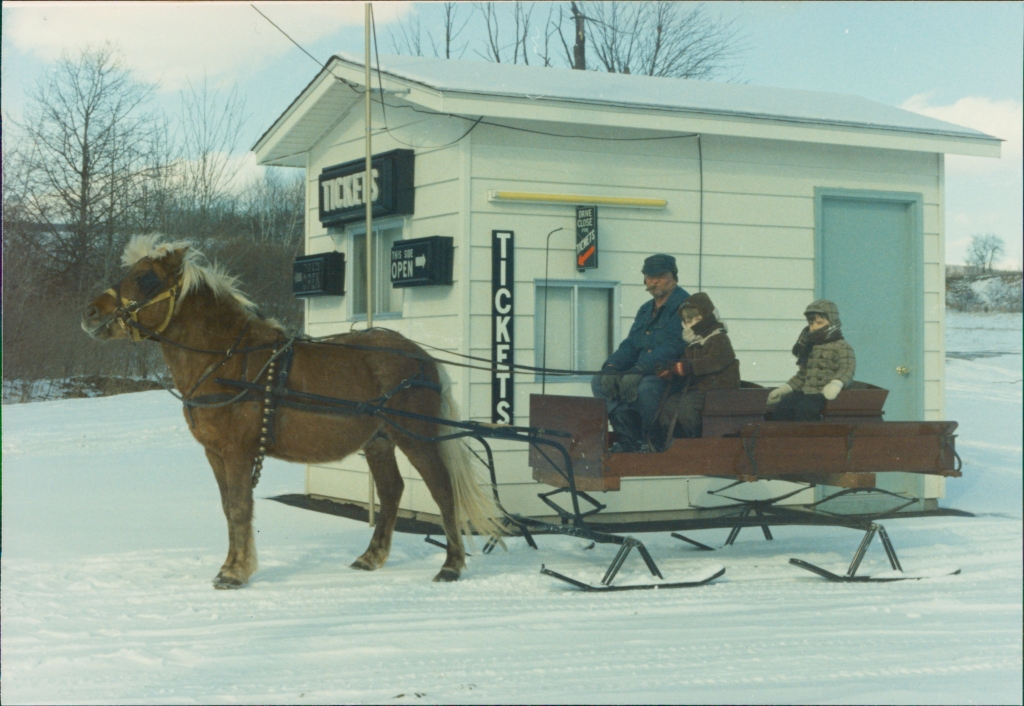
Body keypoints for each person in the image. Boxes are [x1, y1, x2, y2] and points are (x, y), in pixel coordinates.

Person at [591, 254, 690, 452]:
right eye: (649, 276)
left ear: (674, 277)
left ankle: (652, 441)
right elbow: (631, 344)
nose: (654, 282)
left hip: (672, 373)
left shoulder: (686, 306)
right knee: (600, 381)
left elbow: (673, 347)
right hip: (642, 370)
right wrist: (611, 366)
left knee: (645, 387)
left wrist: (639, 370)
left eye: (661, 276)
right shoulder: (645, 310)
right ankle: (629, 439)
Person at [654, 292, 740, 442]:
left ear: (709, 317)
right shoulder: (692, 344)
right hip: (699, 389)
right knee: (668, 407)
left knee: (687, 408)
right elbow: (683, 363)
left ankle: (696, 442)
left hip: (719, 389)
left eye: (697, 318)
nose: (693, 324)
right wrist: (670, 371)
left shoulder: (719, 338)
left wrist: (687, 368)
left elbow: (714, 362)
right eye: (688, 321)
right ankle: (676, 442)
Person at [767, 299, 856, 421]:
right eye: (811, 323)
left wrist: (835, 384)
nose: (813, 327)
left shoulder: (841, 346)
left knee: (805, 410)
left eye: (819, 323)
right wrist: (785, 389)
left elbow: (847, 369)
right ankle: (783, 437)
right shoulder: (810, 345)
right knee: (784, 406)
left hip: (825, 394)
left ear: (832, 322)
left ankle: (807, 438)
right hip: (807, 391)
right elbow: (803, 375)